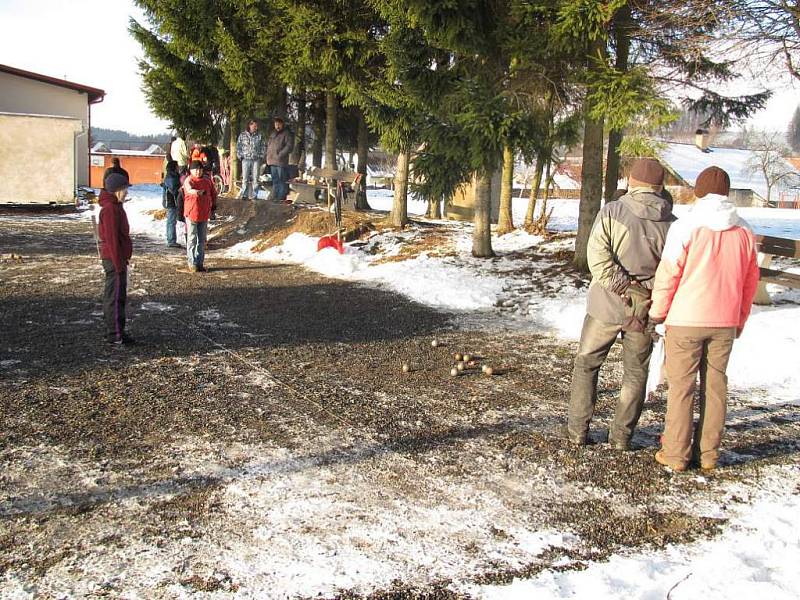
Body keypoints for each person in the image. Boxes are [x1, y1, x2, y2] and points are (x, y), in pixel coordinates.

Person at [649, 166, 760, 472]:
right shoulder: (745, 231)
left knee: (681, 388)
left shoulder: (686, 227)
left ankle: (675, 453)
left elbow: (668, 274)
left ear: (697, 191)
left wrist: (658, 311)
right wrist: (739, 318)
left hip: (685, 319)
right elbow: (750, 282)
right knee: (715, 387)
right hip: (724, 320)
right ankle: (709, 453)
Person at [566, 158, 676, 450]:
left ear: (631, 182)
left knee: (587, 364)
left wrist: (624, 286)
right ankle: (621, 438)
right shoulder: (674, 225)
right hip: (645, 309)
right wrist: (645, 292)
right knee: (636, 373)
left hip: (606, 303)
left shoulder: (612, 211)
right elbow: (674, 269)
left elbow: (598, 259)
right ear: (660, 186)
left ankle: (577, 431)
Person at [98, 173, 134, 344]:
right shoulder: (111, 209)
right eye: (124, 189)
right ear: (117, 190)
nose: (126, 192)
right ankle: (114, 334)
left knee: (117, 296)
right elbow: (112, 239)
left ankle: (116, 330)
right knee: (114, 297)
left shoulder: (115, 206)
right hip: (114, 260)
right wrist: (119, 263)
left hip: (117, 258)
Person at [180, 160, 217, 273]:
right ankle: (192, 263)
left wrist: (213, 206)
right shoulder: (188, 180)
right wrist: (197, 192)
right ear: (190, 170)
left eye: (200, 169)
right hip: (191, 214)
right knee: (192, 239)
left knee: (201, 240)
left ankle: (199, 263)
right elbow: (189, 190)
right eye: (195, 169)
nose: (198, 171)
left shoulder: (207, 181)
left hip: (204, 214)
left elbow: (213, 193)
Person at [266, 116, 294, 203]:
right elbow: (268, 145)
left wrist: (280, 154)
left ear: (282, 124)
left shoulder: (287, 133)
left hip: (281, 161)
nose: (277, 126)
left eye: (279, 124)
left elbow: (289, 146)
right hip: (271, 160)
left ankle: (281, 198)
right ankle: (275, 197)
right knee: (275, 180)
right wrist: (267, 156)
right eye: (276, 124)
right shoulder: (272, 134)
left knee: (282, 180)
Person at [236, 119, 266, 201]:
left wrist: (261, 156)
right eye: (254, 126)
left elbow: (263, 146)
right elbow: (238, 146)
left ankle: (255, 195)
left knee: (255, 178)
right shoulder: (242, 135)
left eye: (256, 126)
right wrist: (240, 156)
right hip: (245, 159)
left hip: (256, 160)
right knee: (245, 178)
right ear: (250, 125)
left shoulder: (260, 135)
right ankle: (244, 195)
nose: (256, 127)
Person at [162, 160, 181, 248]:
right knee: (171, 221)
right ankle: (171, 240)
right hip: (170, 201)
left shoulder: (173, 176)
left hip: (172, 201)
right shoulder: (171, 177)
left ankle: (172, 239)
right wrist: (180, 189)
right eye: (177, 166)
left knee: (172, 221)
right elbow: (173, 189)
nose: (178, 167)